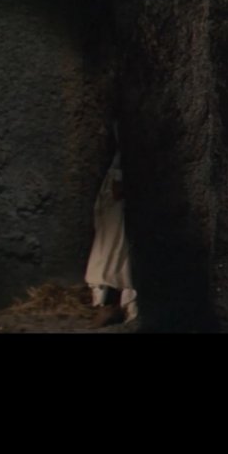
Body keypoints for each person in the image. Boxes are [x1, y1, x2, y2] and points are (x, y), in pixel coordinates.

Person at [85, 137, 138, 327]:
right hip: (118, 212)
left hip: (123, 213)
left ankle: (123, 309)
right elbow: (117, 189)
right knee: (111, 258)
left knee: (118, 261)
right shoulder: (125, 154)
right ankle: (109, 307)